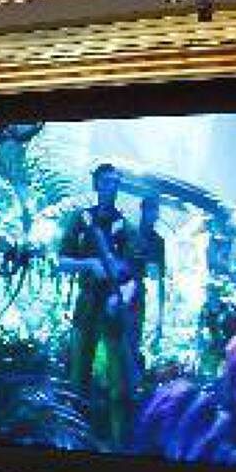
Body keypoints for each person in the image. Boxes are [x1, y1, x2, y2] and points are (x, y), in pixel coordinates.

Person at [56, 163, 163, 445]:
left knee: (119, 387)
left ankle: (118, 446)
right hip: (86, 305)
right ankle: (72, 442)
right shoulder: (81, 220)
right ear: (96, 184)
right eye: (105, 182)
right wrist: (90, 264)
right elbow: (62, 261)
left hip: (112, 311)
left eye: (115, 182)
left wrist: (121, 297)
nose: (110, 187)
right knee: (77, 379)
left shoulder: (125, 227)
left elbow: (135, 275)